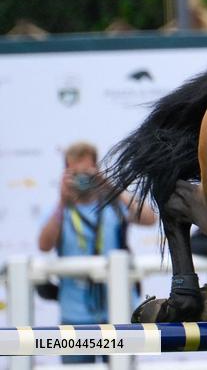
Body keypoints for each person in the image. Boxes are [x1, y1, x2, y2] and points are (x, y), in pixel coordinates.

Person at [37, 141, 156, 364]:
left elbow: (149, 218)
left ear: (97, 169)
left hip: (118, 310)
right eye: (76, 173)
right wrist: (63, 202)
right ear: (65, 173)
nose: (83, 180)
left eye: (88, 173)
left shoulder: (113, 204)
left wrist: (108, 185)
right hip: (76, 315)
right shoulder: (58, 211)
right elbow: (44, 245)